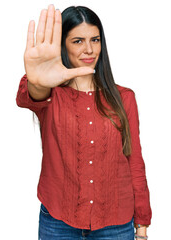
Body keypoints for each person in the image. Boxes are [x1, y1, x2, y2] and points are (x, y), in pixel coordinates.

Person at [16, 4, 152, 240]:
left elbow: (135, 162)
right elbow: (30, 96)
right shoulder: (51, 94)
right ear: (63, 45)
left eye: (95, 39)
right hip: (58, 221)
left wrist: (142, 224)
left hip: (115, 225)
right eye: (77, 41)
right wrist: (38, 81)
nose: (89, 49)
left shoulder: (124, 98)